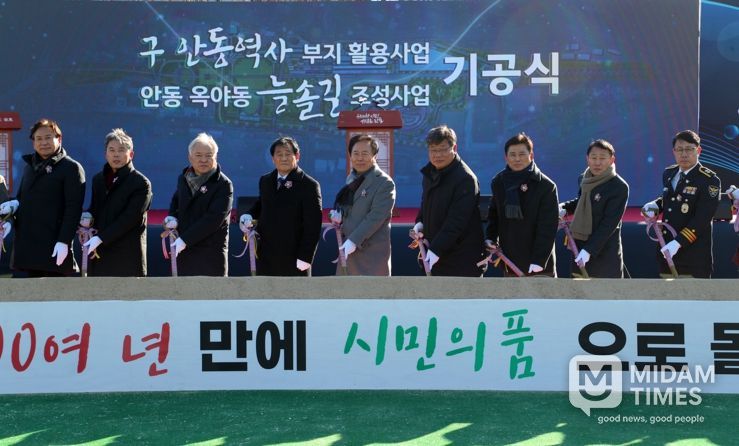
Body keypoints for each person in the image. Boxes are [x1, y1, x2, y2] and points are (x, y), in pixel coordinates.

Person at [0, 119, 85, 277]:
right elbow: (22, 198)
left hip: (54, 250)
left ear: (59, 139)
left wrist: (64, 241)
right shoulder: (29, 167)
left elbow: (73, 209)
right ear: (33, 143)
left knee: (55, 291)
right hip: (26, 251)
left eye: (48, 137)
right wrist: (13, 207)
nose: (43, 142)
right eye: (38, 138)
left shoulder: (72, 168)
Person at [642, 130, 721, 278]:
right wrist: (655, 205)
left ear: (698, 150)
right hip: (667, 251)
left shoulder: (709, 180)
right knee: (667, 292)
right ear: (674, 152)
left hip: (693, 256)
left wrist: (678, 243)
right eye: (679, 149)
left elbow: (703, 218)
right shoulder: (669, 173)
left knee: (693, 292)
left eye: (689, 149)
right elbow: (670, 198)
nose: (684, 154)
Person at [243, 136, 322, 276]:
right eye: (279, 155)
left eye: (288, 154)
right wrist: (248, 215)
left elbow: (313, 226)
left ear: (297, 156)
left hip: (295, 259)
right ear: (273, 158)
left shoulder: (309, 185)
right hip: (266, 256)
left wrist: (306, 257)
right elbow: (262, 204)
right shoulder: (266, 181)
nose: (284, 158)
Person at [414, 125, 485, 276]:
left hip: (462, 259)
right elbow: (425, 203)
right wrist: (420, 222)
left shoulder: (465, 179)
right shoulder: (430, 173)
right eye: (433, 150)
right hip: (435, 255)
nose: (437, 155)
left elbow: (457, 221)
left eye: (443, 149)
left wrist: (436, 250)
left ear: (455, 148)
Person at [485, 133, 559, 276]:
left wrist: (539, 260)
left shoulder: (546, 186)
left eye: (522, 154)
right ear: (506, 157)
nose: (517, 159)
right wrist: (490, 238)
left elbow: (548, 227)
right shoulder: (499, 182)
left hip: (539, 266)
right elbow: (494, 215)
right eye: (512, 155)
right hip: (510, 261)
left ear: (531, 155)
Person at [84, 129, 153, 277]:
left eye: (121, 150)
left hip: (127, 257)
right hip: (100, 255)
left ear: (131, 154)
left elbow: (130, 218)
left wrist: (101, 238)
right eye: (112, 150)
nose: (116, 155)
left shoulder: (141, 183)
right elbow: (95, 208)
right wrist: (87, 217)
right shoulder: (98, 180)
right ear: (106, 154)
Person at [166, 133, 233, 276]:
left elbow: (214, 219)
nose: (203, 160)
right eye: (198, 155)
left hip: (210, 257)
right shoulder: (184, 178)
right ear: (190, 157)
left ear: (215, 157)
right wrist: (172, 217)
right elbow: (176, 200)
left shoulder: (223, 184)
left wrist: (184, 240)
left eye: (208, 155)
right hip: (184, 254)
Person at [559, 139, 629, 278]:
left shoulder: (619, 186)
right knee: (579, 289)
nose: (597, 162)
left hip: (604, 253)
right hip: (579, 247)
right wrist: (564, 208)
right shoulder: (583, 179)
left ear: (612, 160)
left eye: (602, 158)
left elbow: (609, 224)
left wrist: (588, 250)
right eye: (594, 157)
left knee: (605, 290)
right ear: (587, 159)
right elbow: (582, 202)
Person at [333, 134, 396, 275]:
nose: (359, 158)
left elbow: (376, 216)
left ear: (375, 156)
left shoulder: (385, 183)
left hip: (371, 255)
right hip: (348, 251)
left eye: (365, 153)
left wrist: (353, 241)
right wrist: (339, 216)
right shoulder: (351, 178)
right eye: (355, 153)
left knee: (370, 289)